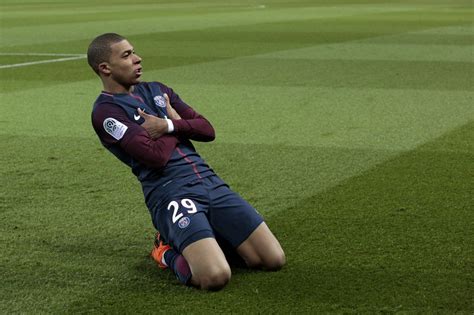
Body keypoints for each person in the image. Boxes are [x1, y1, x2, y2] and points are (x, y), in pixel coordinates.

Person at [88, 33, 285, 290]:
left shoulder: (157, 90)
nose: (138, 59)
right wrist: (178, 125)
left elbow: (207, 130)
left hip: (209, 181)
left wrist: (167, 125)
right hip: (170, 191)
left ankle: (206, 239)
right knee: (215, 277)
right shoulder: (106, 112)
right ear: (105, 68)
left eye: (134, 52)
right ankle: (165, 252)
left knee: (272, 259)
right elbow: (155, 157)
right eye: (126, 55)